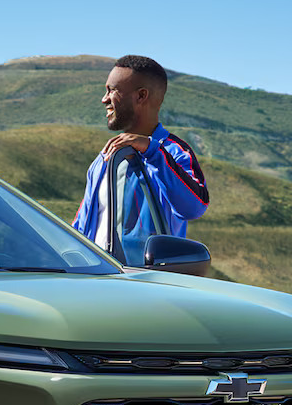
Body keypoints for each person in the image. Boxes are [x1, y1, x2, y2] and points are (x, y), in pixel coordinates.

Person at [70, 55, 211, 260]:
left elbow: (194, 207)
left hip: (146, 285)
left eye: (112, 90)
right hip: (95, 284)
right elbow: (81, 227)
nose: (104, 99)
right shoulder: (104, 158)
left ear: (141, 96)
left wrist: (151, 151)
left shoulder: (175, 151)